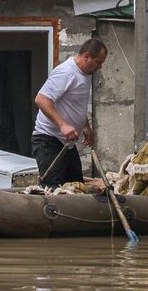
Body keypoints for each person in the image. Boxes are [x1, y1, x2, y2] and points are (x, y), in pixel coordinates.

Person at [32, 38, 108, 187]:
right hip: (49, 140)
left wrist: (85, 125)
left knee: (76, 187)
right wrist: (63, 125)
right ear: (86, 56)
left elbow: (74, 103)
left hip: (67, 143)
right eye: (98, 62)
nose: (100, 67)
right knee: (53, 190)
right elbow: (41, 99)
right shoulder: (66, 72)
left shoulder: (85, 73)